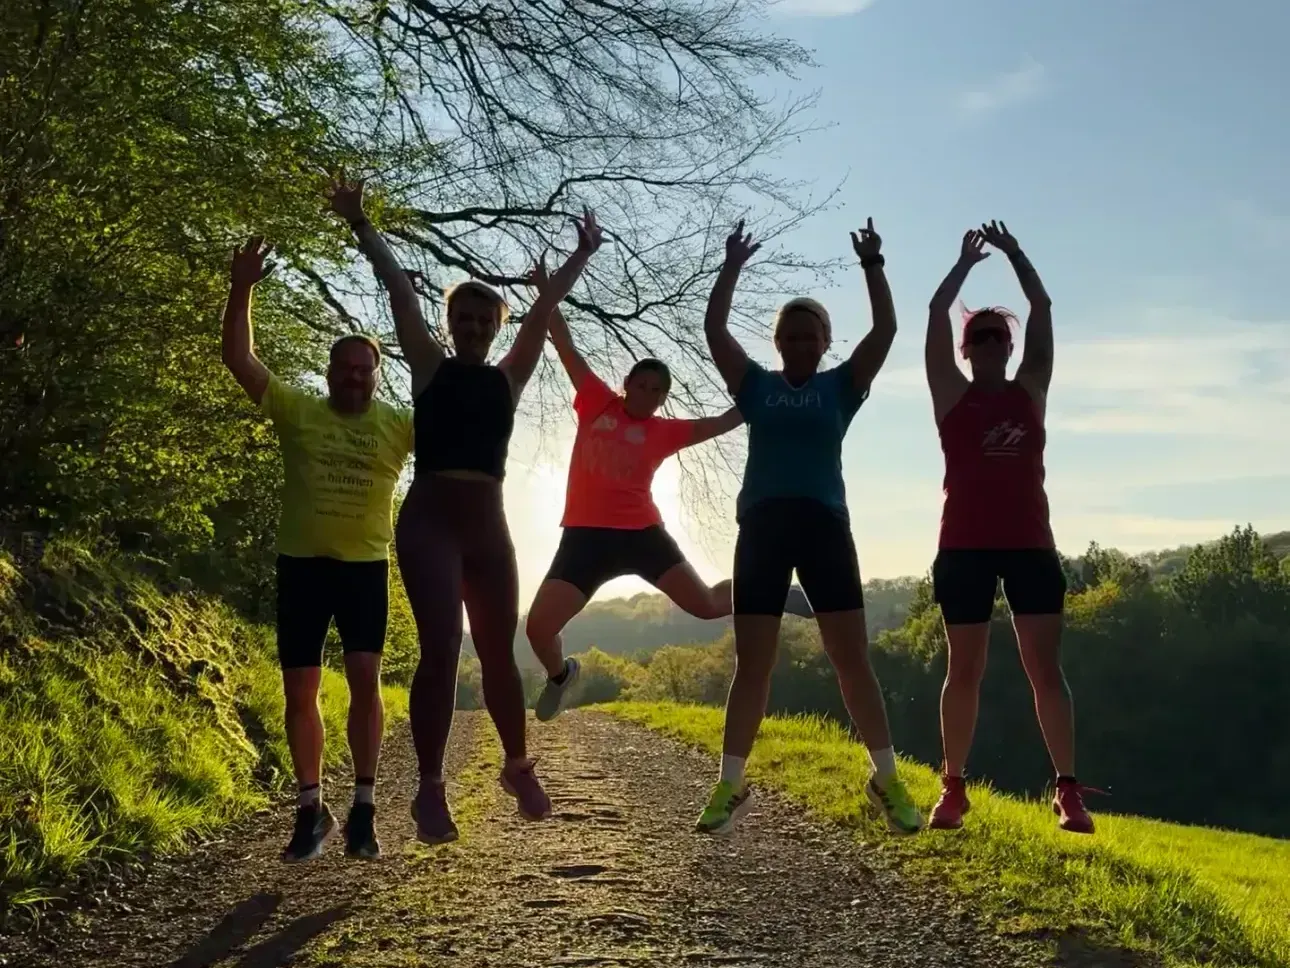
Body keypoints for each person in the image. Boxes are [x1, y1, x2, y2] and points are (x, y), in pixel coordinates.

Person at [325, 175, 602, 843]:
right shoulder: (428, 364)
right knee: (442, 648)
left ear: (494, 328)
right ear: (450, 325)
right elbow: (397, 290)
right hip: (430, 520)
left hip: (489, 523)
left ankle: (516, 766)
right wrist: (362, 224)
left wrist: (580, 258)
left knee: (500, 655)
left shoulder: (509, 376)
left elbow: (542, 316)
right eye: (464, 319)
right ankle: (430, 789)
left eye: (485, 320)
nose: (474, 328)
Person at [695, 218, 923, 836]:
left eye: (810, 334)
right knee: (754, 663)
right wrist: (731, 264)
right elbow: (715, 329)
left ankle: (886, 779)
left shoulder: (841, 386)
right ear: (778, 341)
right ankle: (730, 786)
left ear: (824, 342)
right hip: (764, 530)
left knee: (851, 659)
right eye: (790, 334)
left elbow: (887, 331)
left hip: (824, 528)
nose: (799, 342)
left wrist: (873, 265)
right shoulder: (755, 386)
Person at [522, 262, 814, 722]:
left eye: (657, 391)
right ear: (626, 384)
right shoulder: (596, 401)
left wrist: (769, 391)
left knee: (704, 605)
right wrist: (547, 291)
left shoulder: (663, 431)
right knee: (538, 628)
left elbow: (724, 422)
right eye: (641, 384)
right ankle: (562, 676)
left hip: (642, 534)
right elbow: (564, 344)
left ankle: (777, 591)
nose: (648, 394)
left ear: (662, 399)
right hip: (584, 538)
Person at [220, 236, 413, 863]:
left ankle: (363, 809)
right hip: (301, 566)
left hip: (364, 570)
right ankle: (311, 809)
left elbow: (457, 409)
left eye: (366, 369)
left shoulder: (398, 424)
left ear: (375, 376)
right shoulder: (298, 410)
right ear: (330, 373)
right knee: (299, 689)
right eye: (346, 368)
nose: (355, 377)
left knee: (364, 680)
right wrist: (242, 285)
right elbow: (239, 358)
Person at [924, 222, 1095, 834]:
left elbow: (1043, 306)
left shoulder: (1031, 390)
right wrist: (965, 264)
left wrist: (1017, 253)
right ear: (968, 349)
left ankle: (1068, 791)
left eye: (1000, 334)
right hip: (963, 546)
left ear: (1010, 345)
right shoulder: (950, 394)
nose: (993, 341)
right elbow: (937, 309)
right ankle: (953, 788)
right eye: (982, 336)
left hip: (1030, 545)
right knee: (963, 670)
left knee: (1044, 669)